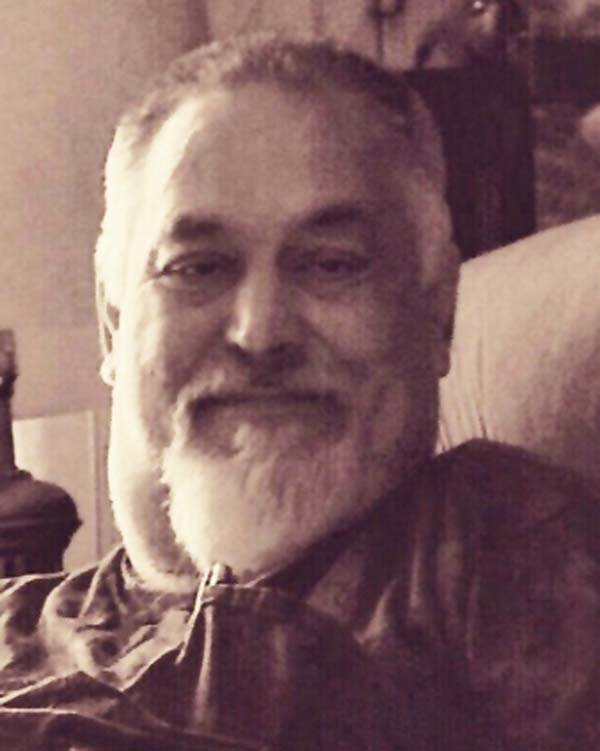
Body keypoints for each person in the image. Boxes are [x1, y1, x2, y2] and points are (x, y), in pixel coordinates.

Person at [1, 34, 599, 751]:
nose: (260, 332)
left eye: (331, 263)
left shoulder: (503, 557)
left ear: (437, 310)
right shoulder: (14, 626)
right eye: (196, 267)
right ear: (113, 325)